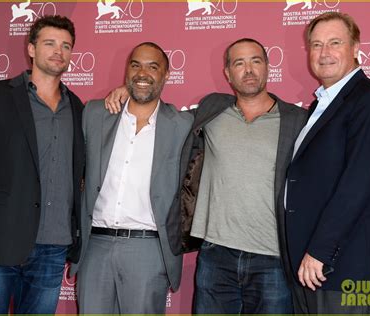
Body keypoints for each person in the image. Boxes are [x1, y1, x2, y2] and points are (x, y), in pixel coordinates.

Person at [105, 38, 307, 314]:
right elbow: (163, 116)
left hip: (271, 259)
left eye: (255, 61)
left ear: (268, 67)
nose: (248, 70)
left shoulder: (297, 120)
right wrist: (129, 90)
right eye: (239, 63)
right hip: (216, 255)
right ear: (227, 73)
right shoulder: (213, 110)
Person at [0, 15, 85, 314]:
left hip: (54, 247)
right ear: (31, 48)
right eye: (49, 43)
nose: (58, 51)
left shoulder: (78, 108)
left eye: (66, 46)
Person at [284, 12, 370, 314]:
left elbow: (358, 184)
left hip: (350, 268)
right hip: (319, 268)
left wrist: (320, 251)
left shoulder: (369, 99)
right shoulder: (321, 104)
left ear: (355, 48)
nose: (324, 53)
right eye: (316, 44)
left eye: (335, 43)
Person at [72, 42, 194, 314]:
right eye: (136, 65)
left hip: (148, 250)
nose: (142, 73)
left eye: (153, 67)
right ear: (126, 70)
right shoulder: (94, 114)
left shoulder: (183, 125)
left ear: (166, 75)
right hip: (95, 247)